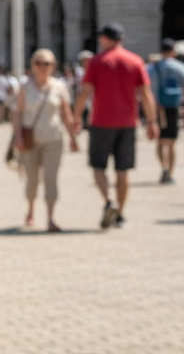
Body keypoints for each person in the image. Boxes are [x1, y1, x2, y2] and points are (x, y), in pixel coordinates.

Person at [73, 23, 159, 229]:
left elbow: (84, 92)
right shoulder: (135, 61)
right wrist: (152, 122)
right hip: (128, 122)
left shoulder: (96, 62)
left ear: (105, 39)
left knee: (98, 166)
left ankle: (108, 200)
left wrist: (76, 116)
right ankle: (120, 213)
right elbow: (146, 94)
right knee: (123, 170)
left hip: (101, 121)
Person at [14, 49, 78, 231]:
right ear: (32, 65)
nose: (42, 67)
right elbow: (17, 113)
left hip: (54, 138)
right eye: (39, 63)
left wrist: (73, 137)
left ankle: (51, 217)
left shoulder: (60, 87)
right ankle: (31, 209)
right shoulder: (25, 87)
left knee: (51, 178)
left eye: (47, 64)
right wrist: (17, 135)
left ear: (53, 66)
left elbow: (66, 113)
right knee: (32, 179)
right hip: (30, 139)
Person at [149, 38, 184, 184]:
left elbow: (148, 88)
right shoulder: (180, 67)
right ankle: (170, 173)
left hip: (158, 107)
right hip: (173, 107)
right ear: (173, 51)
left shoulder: (153, 67)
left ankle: (163, 167)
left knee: (160, 142)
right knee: (171, 143)